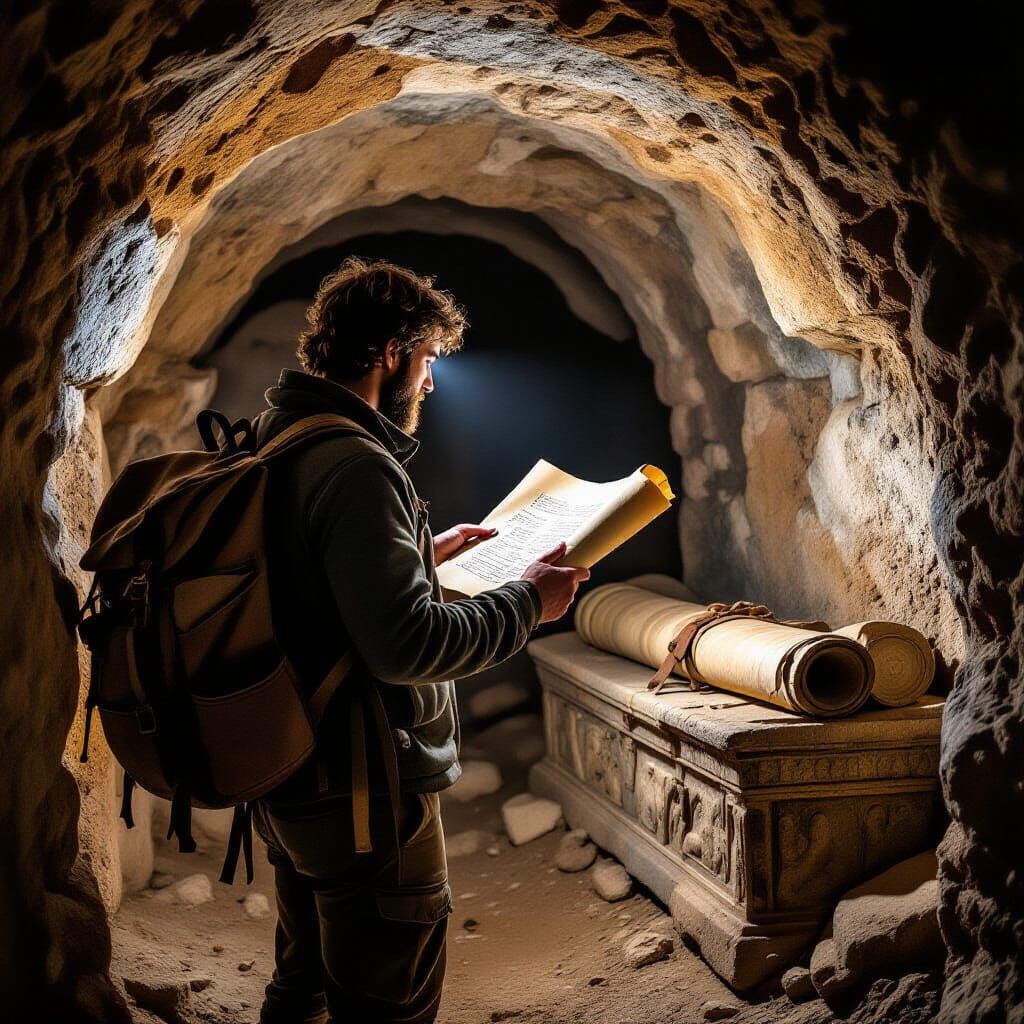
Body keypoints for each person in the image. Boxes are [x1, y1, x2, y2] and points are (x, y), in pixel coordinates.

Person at [249, 255, 589, 1024]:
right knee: (384, 1001)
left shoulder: (280, 436)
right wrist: (530, 602)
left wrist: (422, 561)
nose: (432, 383)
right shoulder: (358, 466)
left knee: (301, 984)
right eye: (429, 360)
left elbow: (307, 585)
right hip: (362, 783)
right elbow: (408, 648)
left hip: (289, 761)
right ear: (394, 353)